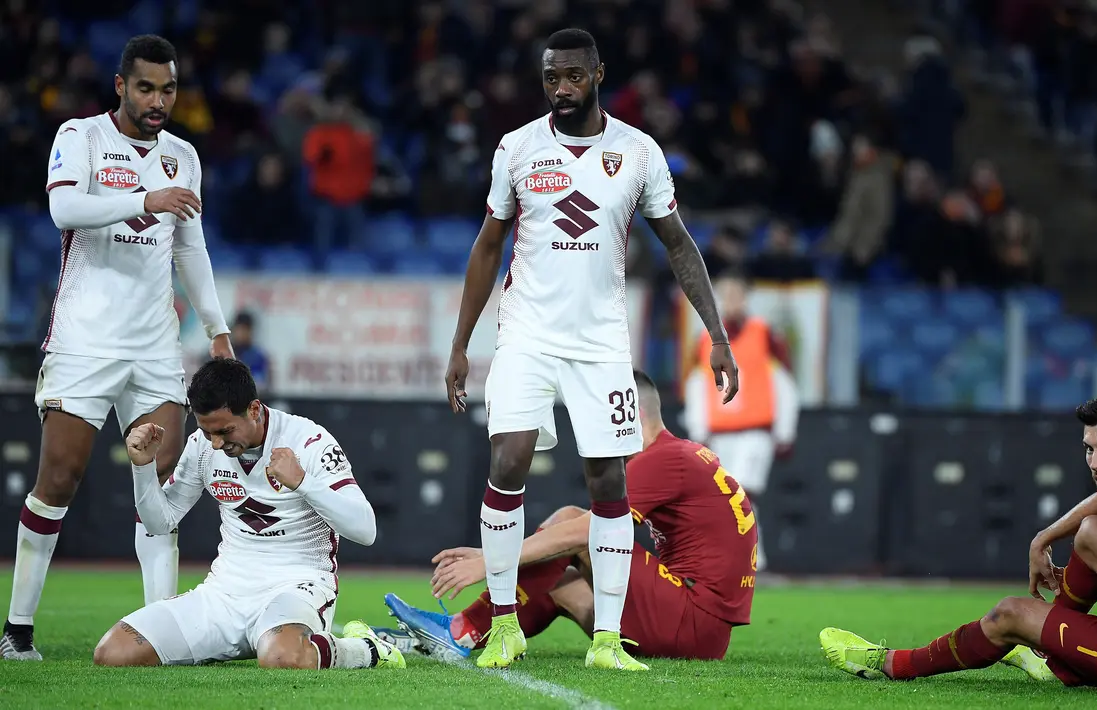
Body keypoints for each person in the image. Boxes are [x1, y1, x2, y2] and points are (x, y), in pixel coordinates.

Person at [443, 28, 738, 671]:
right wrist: (461, 343)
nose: (562, 89)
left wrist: (717, 336)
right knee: (509, 456)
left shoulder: (637, 152)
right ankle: (501, 626)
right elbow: (488, 245)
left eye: (574, 76)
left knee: (608, 479)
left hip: (602, 342)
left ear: (599, 73)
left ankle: (607, 640)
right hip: (525, 333)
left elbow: (679, 244)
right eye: (552, 77)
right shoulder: (516, 148)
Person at [3, 35, 233, 661]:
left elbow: (190, 249)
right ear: (121, 86)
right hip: (84, 339)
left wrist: (217, 331)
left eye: (169, 89)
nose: (159, 101)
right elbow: (63, 210)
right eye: (147, 88)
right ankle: (17, 631)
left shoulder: (183, 156)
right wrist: (142, 200)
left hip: (156, 345)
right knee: (59, 478)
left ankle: (159, 630)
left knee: (158, 483)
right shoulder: (79, 137)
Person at [821, 393, 1097, 699]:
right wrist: (1045, 537)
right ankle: (1055, 653)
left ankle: (891, 663)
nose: (1096, 463)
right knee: (1089, 531)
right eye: (1090, 449)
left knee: (1008, 614)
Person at [386, 370, 756, 663]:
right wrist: (498, 555)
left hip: (692, 621)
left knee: (571, 522)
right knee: (559, 581)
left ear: (632, 414)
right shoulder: (682, 454)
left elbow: (585, 531)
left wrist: (491, 560)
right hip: (703, 630)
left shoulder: (661, 459)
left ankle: (460, 629)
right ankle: (459, 636)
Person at [91, 358, 403, 670]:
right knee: (113, 652)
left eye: (225, 430)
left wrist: (304, 483)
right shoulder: (202, 446)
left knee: (282, 658)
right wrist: (142, 467)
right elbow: (159, 523)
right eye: (207, 431)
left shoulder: (309, 441)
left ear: (254, 410)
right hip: (224, 592)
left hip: (297, 585)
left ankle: (369, 649)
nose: (216, 443)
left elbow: (366, 530)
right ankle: (258, 639)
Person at [684, 270, 798, 572]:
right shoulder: (704, 339)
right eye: (725, 295)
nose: (731, 302)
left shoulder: (764, 333)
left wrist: (785, 430)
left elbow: (784, 383)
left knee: (744, 491)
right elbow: (697, 384)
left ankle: (752, 557)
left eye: (737, 295)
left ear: (748, 298)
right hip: (719, 432)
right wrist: (698, 429)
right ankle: (731, 557)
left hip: (755, 430)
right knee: (723, 497)